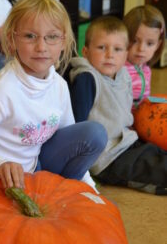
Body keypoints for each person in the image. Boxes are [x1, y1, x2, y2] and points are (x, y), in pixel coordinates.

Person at [0, 0, 107, 191]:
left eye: (51, 37)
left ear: (63, 42)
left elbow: (70, 138)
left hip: (38, 166)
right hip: (4, 181)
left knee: (95, 133)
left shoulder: (59, 86)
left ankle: (71, 193)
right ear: (12, 39)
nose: (41, 47)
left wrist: (91, 188)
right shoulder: (0, 90)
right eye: (30, 36)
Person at [68, 15, 167, 195]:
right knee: (159, 170)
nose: (110, 55)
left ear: (125, 53)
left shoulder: (123, 74)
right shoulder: (87, 79)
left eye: (118, 49)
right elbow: (77, 129)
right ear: (86, 51)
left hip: (128, 140)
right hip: (108, 158)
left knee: (159, 154)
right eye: (101, 47)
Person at [123, 4, 166, 106]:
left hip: (141, 118)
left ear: (158, 45)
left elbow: (145, 100)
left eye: (150, 43)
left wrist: (163, 101)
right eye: (134, 41)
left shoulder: (146, 70)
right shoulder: (119, 70)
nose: (141, 49)